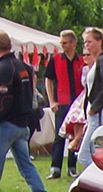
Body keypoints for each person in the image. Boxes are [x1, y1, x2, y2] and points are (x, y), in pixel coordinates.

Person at [0, 29, 52, 192]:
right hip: (22, 123)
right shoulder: (22, 66)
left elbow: (2, 96)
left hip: (5, 124)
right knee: (26, 166)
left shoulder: (3, 68)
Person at [41, 29, 84, 179]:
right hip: (62, 102)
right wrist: (52, 100)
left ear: (73, 43)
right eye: (61, 43)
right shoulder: (56, 59)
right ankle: (55, 167)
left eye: (65, 43)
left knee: (75, 135)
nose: (62, 46)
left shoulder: (81, 60)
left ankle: (71, 167)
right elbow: (48, 79)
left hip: (77, 104)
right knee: (59, 135)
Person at [77, 26, 103, 172]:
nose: (86, 45)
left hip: (102, 113)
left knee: (85, 155)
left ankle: (98, 179)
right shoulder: (99, 61)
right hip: (98, 113)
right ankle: (100, 177)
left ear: (99, 41)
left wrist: (94, 107)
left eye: (89, 42)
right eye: (85, 43)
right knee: (93, 153)